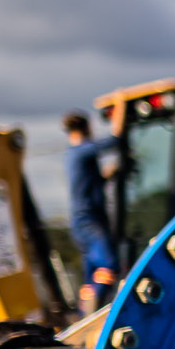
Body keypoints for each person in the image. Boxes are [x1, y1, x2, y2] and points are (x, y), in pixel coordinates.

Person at [64, 110, 120, 310]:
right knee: (110, 265)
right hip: (89, 220)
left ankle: (85, 314)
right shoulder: (81, 151)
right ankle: (96, 309)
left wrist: (108, 175)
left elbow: (89, 184)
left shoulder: (75, 156)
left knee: (91, 276)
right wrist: (119, 111)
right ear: (87, 128)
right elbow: (114, 141)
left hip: (83, 222)